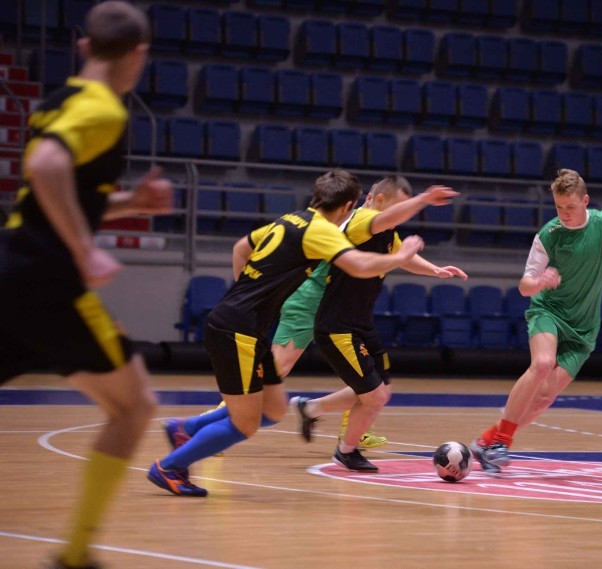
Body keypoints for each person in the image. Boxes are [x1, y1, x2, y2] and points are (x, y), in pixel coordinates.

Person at [0, 3, 172, 568]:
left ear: (84, 48)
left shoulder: (57, 101)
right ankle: (76, 554)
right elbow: (47, 168)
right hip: (49, 284)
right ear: (140, 55)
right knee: (134, 408)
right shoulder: (103, 110)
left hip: (12, 269)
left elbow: (65, 191)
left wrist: (130, 203)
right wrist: (83, 250)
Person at [147, 170, 427, 496]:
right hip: (238, 328)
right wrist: (403, 255)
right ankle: (170, 467)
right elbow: (361, 266)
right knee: (246, 422)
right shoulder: (322, 230)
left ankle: (186, 428)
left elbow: (241, 247)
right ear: (349, 205)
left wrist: (247, 293)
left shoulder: (291, 219)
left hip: (247, 323)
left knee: (273, 410)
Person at [468, 169, 602, 473]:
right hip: (548, 312)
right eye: (559, 207)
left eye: (571, 208)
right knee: (543, 364)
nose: (565, 214)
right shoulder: (549, 234)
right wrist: (540, 283)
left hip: (584, 327)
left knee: (544, 398)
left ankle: (486, 441)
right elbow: (524, 285)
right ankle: (501, 444)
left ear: (585, 201)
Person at [290, 176, 467, 471]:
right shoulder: (361, 220)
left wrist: (435, 270)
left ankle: (310, 408)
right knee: (373, 397)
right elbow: (391, 229)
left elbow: (404, 258)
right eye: (402, 207)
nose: (404, 214)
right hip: (337, 327)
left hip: (361, 325)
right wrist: (423, 200)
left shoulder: (386, 232)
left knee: (379, 390)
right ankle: (346, 451)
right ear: (379, 199)